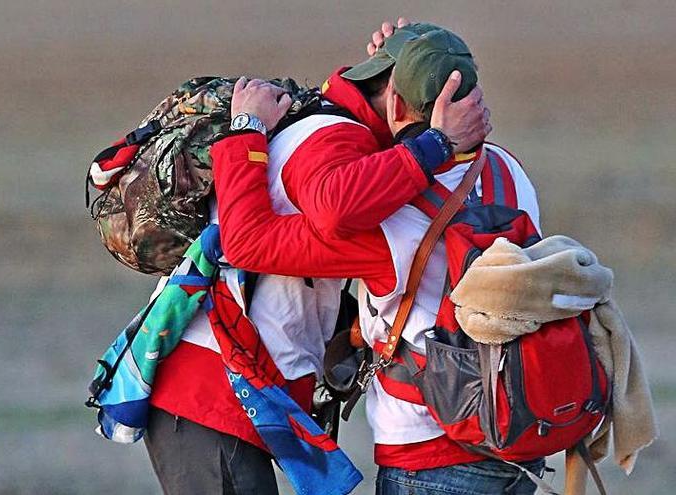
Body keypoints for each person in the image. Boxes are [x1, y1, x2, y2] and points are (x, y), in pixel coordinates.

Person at [140, 20, 491, 495]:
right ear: (396, 102)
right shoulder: (333, 140)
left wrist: (409, 60)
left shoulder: (344, 132)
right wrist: (436, 144)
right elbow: (309, 216)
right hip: (212, 388)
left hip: (232, 387)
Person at [211, 24, 545, 494]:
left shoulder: (389, 221)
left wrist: (244, 131)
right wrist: (412, 62)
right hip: (523, 436)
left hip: (430, 452)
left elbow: (249, 241)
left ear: (394, 103)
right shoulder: (510, 171)